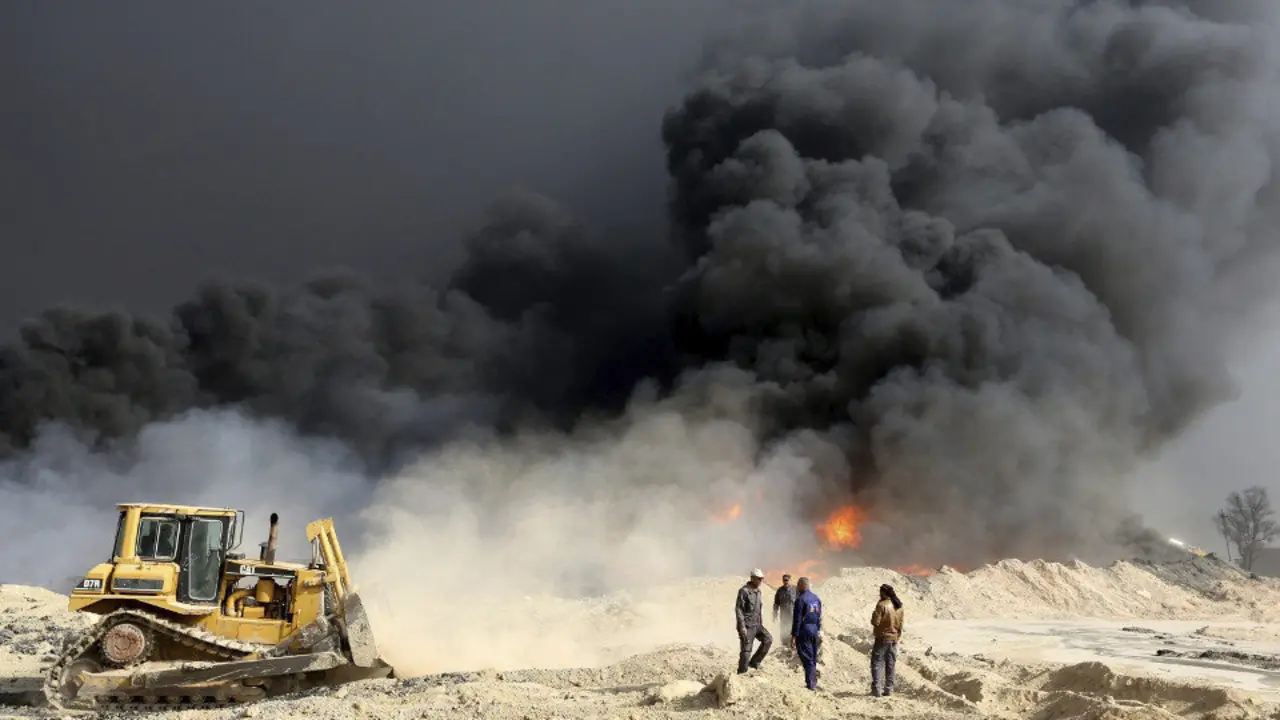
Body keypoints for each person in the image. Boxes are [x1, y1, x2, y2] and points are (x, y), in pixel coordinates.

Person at [735, 568, 773, 673]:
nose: (761, 581)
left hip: (757, 624)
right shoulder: (744, 591)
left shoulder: (758, 592)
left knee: (768, 639)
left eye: (762, 579)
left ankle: (754, 662)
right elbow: (739, 609)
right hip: (747, 626)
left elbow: (758, 610)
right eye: (758, 579)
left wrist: (760, 623)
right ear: (752, 578)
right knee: (746, 651)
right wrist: (742, 627)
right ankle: (742, 672)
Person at [870, 583, 904, 697]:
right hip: (894, 639)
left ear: (884, 593)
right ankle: (889, 689)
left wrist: (874, 613)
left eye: (880, 592)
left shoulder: (882, 605)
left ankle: (877, 690)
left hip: (882, 638)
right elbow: (901, 624)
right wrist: (897, 637)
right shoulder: (899, 605)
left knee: (877, 663)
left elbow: (876, 622)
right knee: (890, 665)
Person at [789, 576, 822, 691]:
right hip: (814, 630)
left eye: (798, 585)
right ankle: (813, 681)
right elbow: (819, 617)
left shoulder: (800, 599)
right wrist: (817, 629)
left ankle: (811, 684)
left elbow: (797, 619)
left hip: (804, 631)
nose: (797, 587)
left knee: (807, 657)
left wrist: (794, 635)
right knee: (812, 656)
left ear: (802, 585)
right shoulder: (816, 598)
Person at [772, 573, 797, 641]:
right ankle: (784, 646)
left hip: (794, 616)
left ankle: (794, 646)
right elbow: (776, 603)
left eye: (787, 580)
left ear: (790, 580)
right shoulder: (780, 590)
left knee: (794, 632)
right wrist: (774, 614)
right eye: (784, 580)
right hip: (784, 617)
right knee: (784, 632)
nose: (785, 582)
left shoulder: (795, 589)